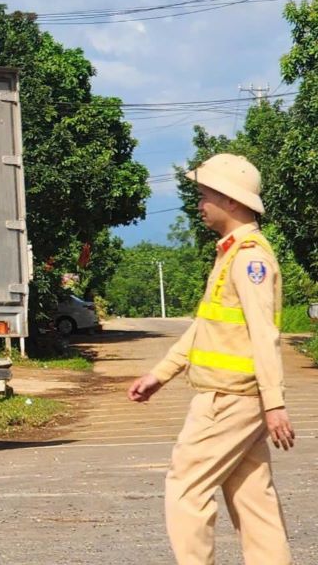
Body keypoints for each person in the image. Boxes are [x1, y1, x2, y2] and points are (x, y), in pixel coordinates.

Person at [127, 153, 294, 565]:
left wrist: (275, 403)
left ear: (231, 200)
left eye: (205, 195)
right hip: (239, 399)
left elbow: (264, 334)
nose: (199, 204)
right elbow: (205, 327)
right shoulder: (231, 253)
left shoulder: (249, 258)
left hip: (228, 399)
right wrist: (161, 373)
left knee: (185, 487)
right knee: (253, 499)